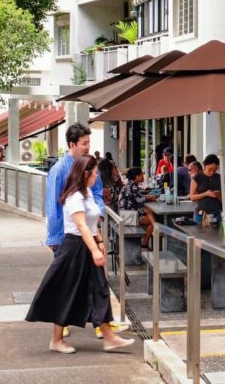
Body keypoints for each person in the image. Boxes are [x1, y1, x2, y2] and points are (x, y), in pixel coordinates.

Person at [25, 155, 135, 354]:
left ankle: (109, 337)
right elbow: (81, 225)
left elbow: (92, 223)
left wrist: (99, 242)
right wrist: (94, 249)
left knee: (99, 288)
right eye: (94, 173)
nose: (96, 177)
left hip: (86, 245)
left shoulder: (87, 194)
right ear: (85, 174)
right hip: (74, 248)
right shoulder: (75, 196)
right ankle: (56, 340)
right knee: (66, 292)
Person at [45, 123, 124, 339]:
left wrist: (95, 212)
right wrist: (54, 237)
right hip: (68, 236)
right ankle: (62, 329)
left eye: (89, 142)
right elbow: (53, 206)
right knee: (68, 284)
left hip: (86, 233)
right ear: (72, 144)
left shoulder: (89, 167)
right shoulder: (60, 169)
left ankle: (102, 327)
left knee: (93, 282)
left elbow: (97, 193)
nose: (88, 147)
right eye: (84, 143)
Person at [118, 167, 158, 249]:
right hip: (128, 216)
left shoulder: (130, 185)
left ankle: (144, 244)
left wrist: (147, 198)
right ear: (137, 176)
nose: (143, 176)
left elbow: (137, 198)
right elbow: (138, 200)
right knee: (151, 218)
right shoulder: (132, 186)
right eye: (141, 175)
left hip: (127, 213)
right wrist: (149, 198)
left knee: (149, 215)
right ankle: (155, 232)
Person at [189, 154, 222, 225]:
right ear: (204, 165)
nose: (212, 172)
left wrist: (218, 195)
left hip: (216, 213)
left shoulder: (219, 178)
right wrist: (205, 194)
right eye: (210, 169)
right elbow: (192, 197)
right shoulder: (197, 178)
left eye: (215, 169)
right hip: (200, 214)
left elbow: (223, 198)